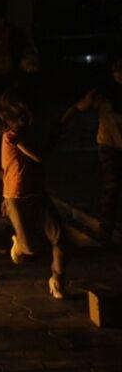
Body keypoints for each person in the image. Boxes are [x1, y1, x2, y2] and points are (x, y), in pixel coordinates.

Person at [0, 83, 67, 298]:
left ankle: (57, 280)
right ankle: (18, 243)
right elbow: (39, 156)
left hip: (37, 193)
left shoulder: (29, 132)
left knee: (60, 238)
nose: (29, 120)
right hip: (16, 197)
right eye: (23, 117)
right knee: (29, 249)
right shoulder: (12, 136)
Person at [60, 54, 122, 245]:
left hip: (113, 142)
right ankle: (105, 230)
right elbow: (80, 107)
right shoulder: (104, 92)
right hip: (109, 145)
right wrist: (61, 123)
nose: (119, 73)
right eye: (116, 69)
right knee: (112, 186)